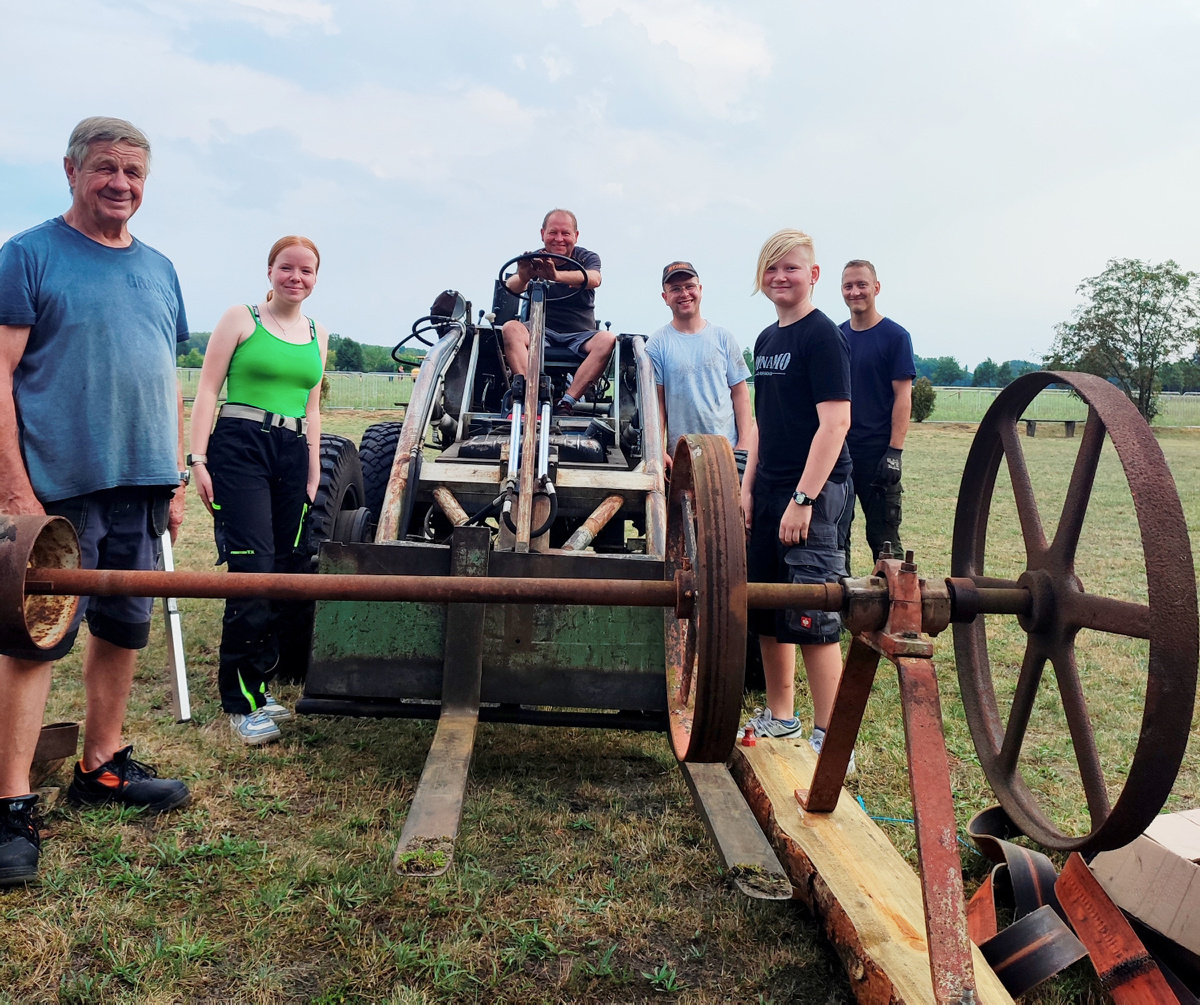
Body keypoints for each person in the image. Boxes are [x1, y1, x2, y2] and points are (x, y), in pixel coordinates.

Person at [0, 117, 191, 886]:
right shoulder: (28, 255)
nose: (121, 184)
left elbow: (165, 376)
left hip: (142, 485)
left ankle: (101, 767)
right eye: (106, 169)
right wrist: (15, 484)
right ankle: (11, 801)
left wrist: (175, 475)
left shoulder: (162, 268)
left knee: (125, 626)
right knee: (31, 639)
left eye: (134, 173)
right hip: (57, 488)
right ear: (72, 171)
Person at [189, 237, 329, 745]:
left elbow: (312, 407)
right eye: (287, 268)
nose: (297, 277)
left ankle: (260, 686)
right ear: (270, 271)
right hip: (240, 446)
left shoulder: (317, 332)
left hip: (293, 452)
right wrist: (198, 459)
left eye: (307, 271)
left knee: (286, 570)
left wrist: (313, 467)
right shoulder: (241, 318)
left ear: (316, 277)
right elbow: (207, 388)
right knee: (252, 569)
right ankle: (240, 702)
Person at [740, 229, 855, 767]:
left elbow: (835, 424)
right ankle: (780, 717)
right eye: (771, 269)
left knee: (814, 613)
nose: (780, 277)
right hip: (768, 492)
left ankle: (832, 738)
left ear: (812, 276)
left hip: (816, 493)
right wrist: (747, 487)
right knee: (766, 607)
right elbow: (762, 423)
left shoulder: (823, 337)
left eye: (791, 268)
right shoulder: (765, 340)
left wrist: (803, 499)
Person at [501, 209, 615, 414]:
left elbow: (594, 279)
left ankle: (567, 402)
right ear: (543, 233)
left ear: (576, 236)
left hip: (580, 334)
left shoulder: (587, 258)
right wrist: (524, 276)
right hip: (541, 331)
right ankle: (530, 396)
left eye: (566, 233)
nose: (559, 239)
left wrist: (555, 275)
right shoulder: (535, 259)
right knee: (510, 328)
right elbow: (512, 285)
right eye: (553, 233)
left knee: (608, 339)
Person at [840, 260, 916, 564]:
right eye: (848, 286)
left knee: (884, 540)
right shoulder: (836, 337)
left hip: (878, 455)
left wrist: (895, 451)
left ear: (876, 288)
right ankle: (838, 609)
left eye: (862, 285)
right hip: (840, 453)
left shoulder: (895, 337)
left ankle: (896, 606)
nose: (855, 292)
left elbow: (903, 396)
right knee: (835, 537)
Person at [646, 261, 754, 472]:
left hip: (727, 452)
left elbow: (740, 394)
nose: (684, 293)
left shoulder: (723, 337)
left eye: (689, 286)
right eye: (675, 289)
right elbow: (657, 404)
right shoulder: (657, 344)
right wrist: (659, 451)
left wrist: (744, 444)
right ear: (665, 297)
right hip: (683, 456)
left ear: (700, 290)